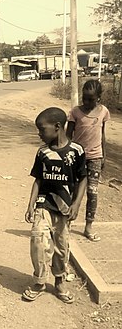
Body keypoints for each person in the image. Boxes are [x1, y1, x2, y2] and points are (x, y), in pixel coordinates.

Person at [22, 107, 87, 304]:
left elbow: (82, 179)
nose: (39, 134)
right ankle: (40, 281)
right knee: (38, 241)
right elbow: (38, 180)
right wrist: (30, 204)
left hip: (64, 209)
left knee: (61, 247)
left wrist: (76, 204)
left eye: (42, 129)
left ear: (57, 127)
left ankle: (59, 282)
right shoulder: (43, 153)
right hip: (44, 205)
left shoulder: (76, 152)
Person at [67, 79, 110, 242]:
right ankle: (68, 223)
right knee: (74, 190)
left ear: (99, 97)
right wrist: (66, 155)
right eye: (84, 98)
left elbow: (103, 135)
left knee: (92, 193)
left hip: (95, 157)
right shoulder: (75, 112)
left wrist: (104, 156)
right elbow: (68, 136)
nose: (86, 102)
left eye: (90, 99)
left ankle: (88, 226)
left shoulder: (103, 112)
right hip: (77, 158)